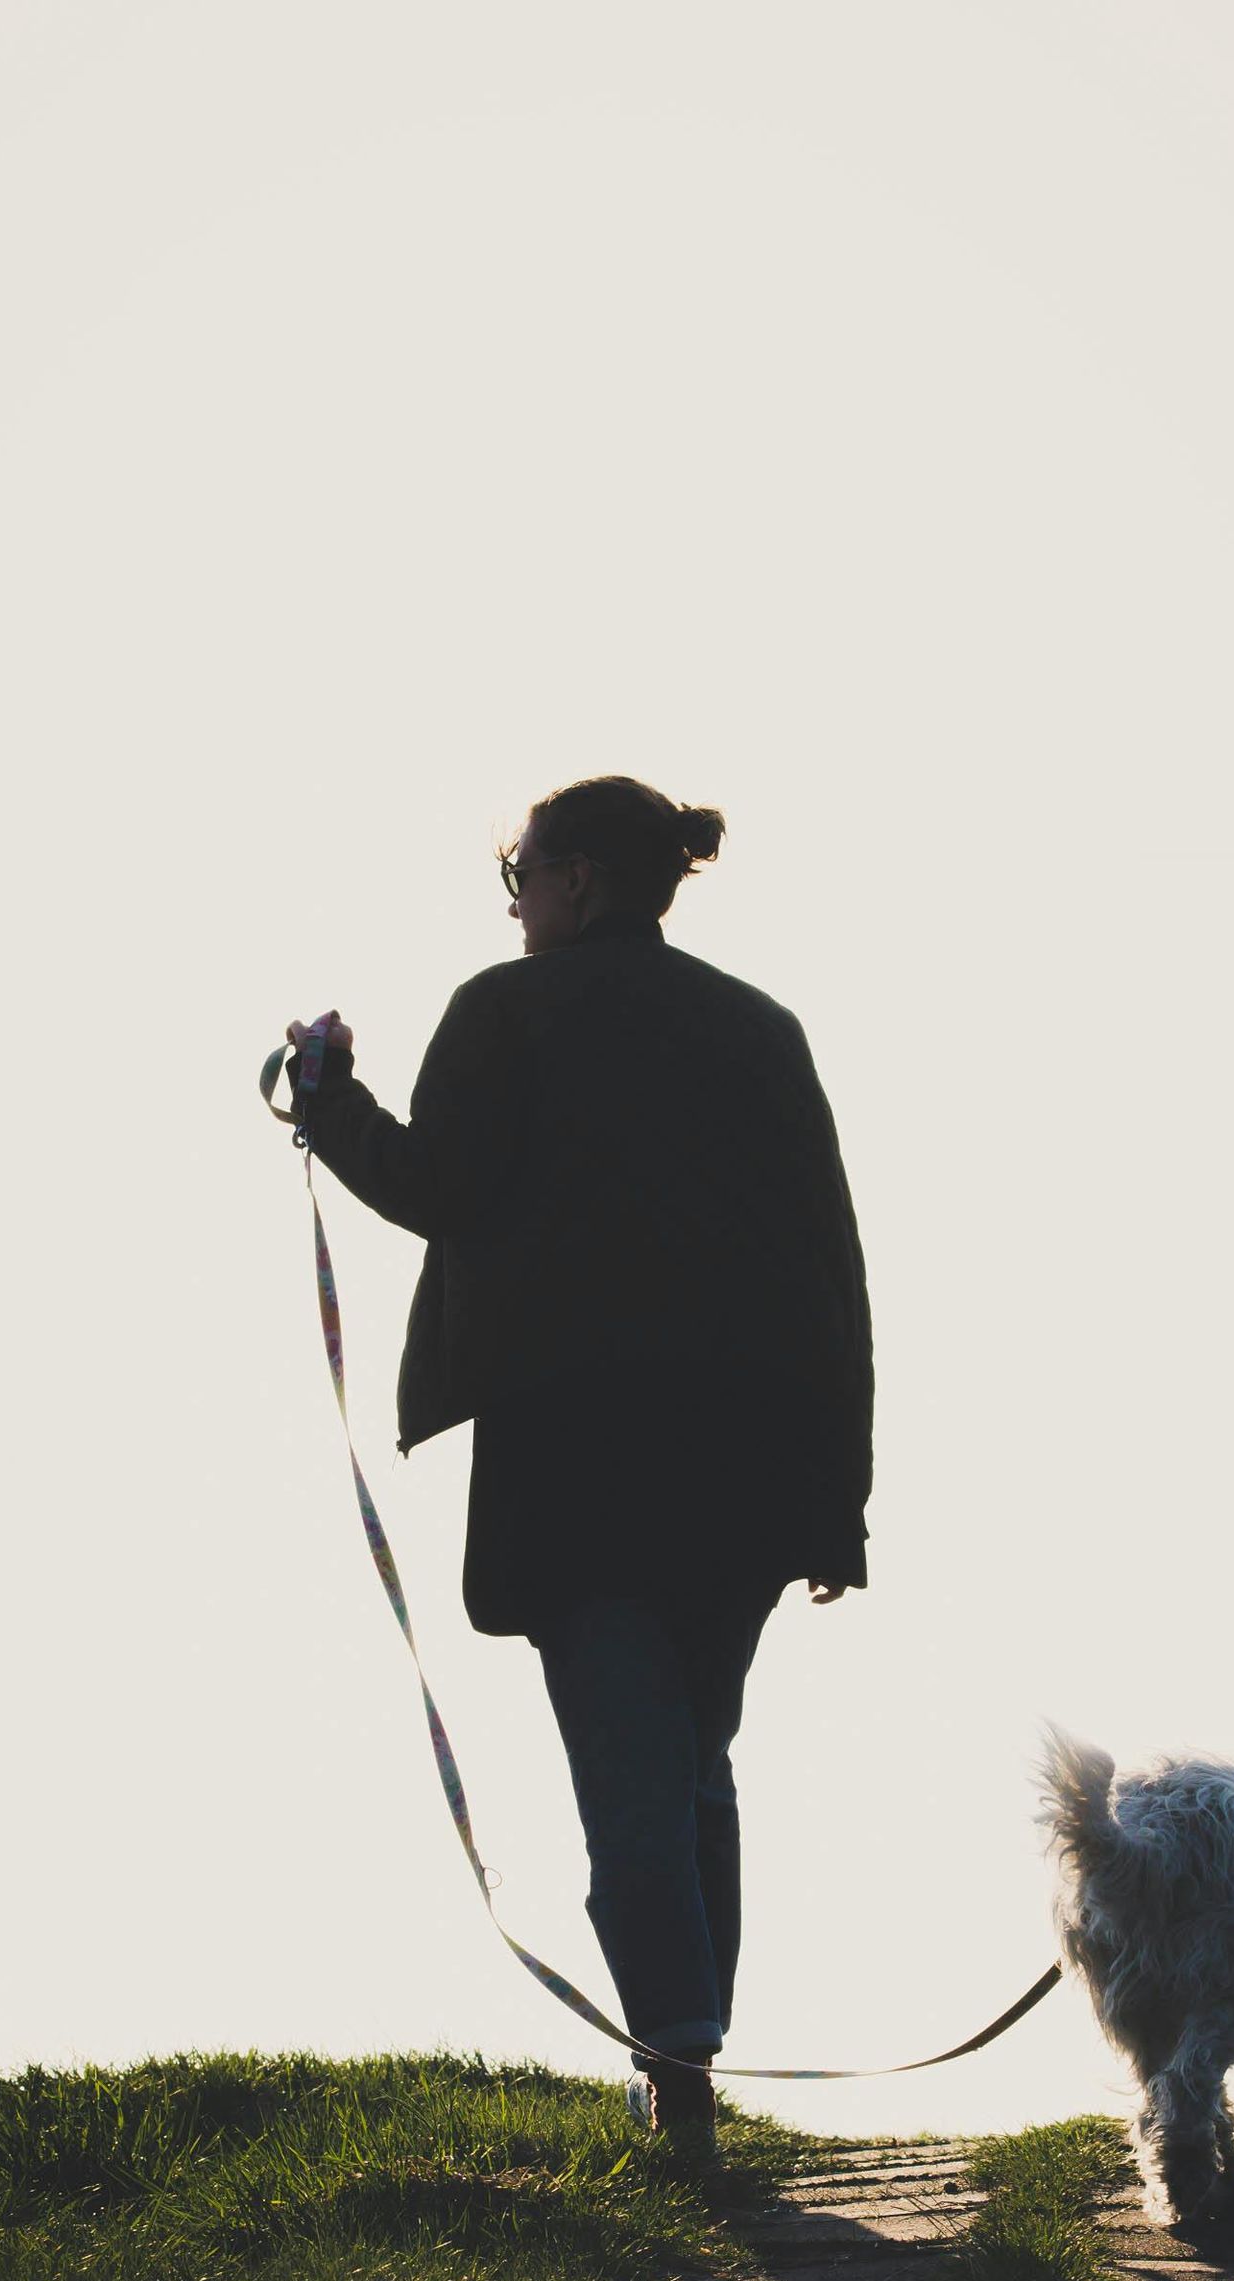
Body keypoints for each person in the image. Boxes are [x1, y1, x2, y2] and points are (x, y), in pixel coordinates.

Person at [287, 775, 872, 2150]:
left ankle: (677, 2071)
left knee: (629, 1773)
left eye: (522, 868)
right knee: (689, 1762)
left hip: (581, 1460)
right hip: (752, 1467)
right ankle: (692, 2052)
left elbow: (436, 1190)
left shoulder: (508, 1009)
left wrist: (328, 1102)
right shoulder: (761, 1030)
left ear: (583, 882)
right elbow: (831, 1272)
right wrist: (838, 1504)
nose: (512, 896)